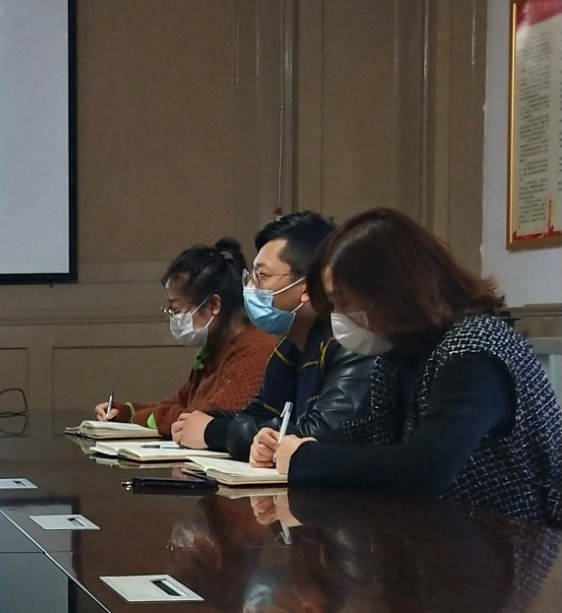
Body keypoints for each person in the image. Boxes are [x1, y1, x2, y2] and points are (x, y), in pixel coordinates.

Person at [275, 208, 562, 525]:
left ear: (391, 290)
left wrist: (305, 458)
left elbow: (427, 467)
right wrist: (294, 443)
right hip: (449, 533)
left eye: (343, 301)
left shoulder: (476, 350)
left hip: (519, 538)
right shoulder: (400, 351)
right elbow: (370, 433)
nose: (338, 316)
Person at [170, 210, 373, 458]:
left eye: (262, 276)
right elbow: (257, 415)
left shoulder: (349, 343)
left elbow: (318, 436)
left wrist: (213, 431)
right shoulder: (287, 349)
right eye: (252, 276)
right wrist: (206, 420)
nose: (251, 287)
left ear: (308, 286)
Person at [94, 237, 275, 434]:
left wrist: (144, 418)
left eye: (177, 309)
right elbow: (180, 402)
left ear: (214, 305)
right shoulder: (214, 349)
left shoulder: (255, 350)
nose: (174, 318)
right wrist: (127, 412)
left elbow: (206, 418)